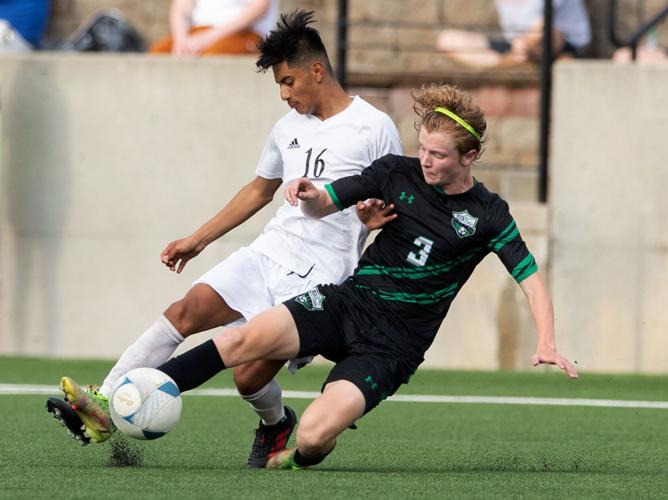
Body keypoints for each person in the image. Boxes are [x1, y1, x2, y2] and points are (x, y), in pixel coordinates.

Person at [150, 83, 579, 470]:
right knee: (238, 341)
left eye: (438, 155)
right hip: (347, 303)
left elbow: (531, 280)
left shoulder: (488, 214)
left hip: (393, 346)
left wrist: (546, 342)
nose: (426, 161)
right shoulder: (395, 172)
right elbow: (324, 204)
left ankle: (308, 445)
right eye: (423, 149)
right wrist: (309, 193)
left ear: (470, 157)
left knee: (315, 435)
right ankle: (148, 389)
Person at [47, 10, 402, 469]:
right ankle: (104, 402)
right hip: (271, 251)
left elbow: (395, 201)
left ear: (317, 70)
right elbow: (259, 189)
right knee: (185, 311)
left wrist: (372, 239)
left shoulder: (375, 127)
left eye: (289, 81)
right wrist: (198, 239)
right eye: (278, 85)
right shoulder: (286, 129)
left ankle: (275, 423)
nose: (284, 94)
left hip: (323, 275)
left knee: (248, 376)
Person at [437, 0, 591, 68]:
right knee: (447, 40)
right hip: (513, 43)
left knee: (544, 33)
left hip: (561, 44)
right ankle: (510, 61)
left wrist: (527, 43)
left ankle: (514, 59)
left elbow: (544, 23)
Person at [149, 0, 279, 56]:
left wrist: (208, 38)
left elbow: (259, 8)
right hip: (198, 34)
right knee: (157, 54)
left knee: (213, 57)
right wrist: (181, 41)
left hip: (244, 34)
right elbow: (181, 8)